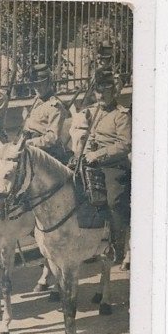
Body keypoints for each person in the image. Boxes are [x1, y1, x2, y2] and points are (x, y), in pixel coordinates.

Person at [69, 69, 132, 260]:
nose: (102, 95)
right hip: (92, 161)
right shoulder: (94, 112)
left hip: (113, 166)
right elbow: (88, 136)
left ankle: (118, 247)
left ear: (113, 92)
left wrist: (99, 154)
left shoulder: (121, 115)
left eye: (106, 91)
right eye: (98, 92)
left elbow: (125, 144)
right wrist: (82, 153)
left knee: (114, 202)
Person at [20, 63, 71, 162]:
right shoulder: (36, 101)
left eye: (40, 84)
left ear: (49, 82)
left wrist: (30, 143)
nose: (37, 87)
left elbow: (52, 138)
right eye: (34, 84)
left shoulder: (55, 106)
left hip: (47, 153)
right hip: (31, 148)